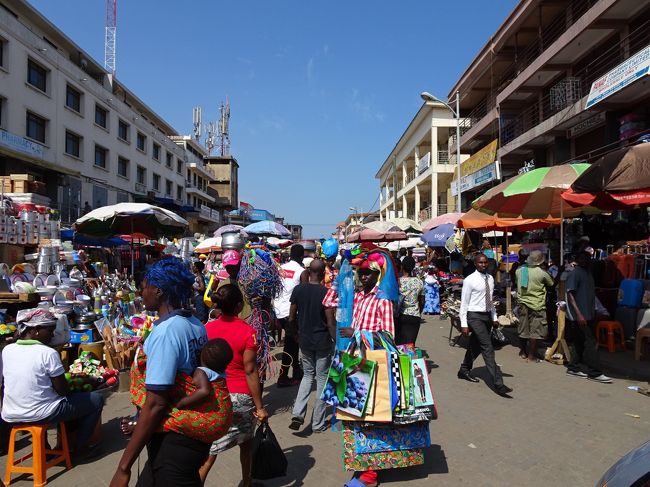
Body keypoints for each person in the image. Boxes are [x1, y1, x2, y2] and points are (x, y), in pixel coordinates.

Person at [110, 257, 225, 487]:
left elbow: (156, 404)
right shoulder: (195, 323)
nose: (142, 293)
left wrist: (124, 467)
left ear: (159, 291)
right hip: (189, 438)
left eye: (144, 288)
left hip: (174, 444)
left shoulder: (166, 333)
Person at [2, 308, 103, 457]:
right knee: (96, 400)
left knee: (45, 400)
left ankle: (45, 450)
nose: (52, 335)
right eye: (50, 331)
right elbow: (63, 391)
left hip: (10, 413)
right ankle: (81, 448)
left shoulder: (7, 350)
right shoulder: (47, 353)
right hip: (41, 413)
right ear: (36, 330)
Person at [201, 284, 269, 487]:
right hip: (240, 396)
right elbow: (250, 371)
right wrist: (259, 406)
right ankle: (246, 482)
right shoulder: (248, 332)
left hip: (213, 394)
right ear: (239, 306)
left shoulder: (206, 329)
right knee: (245, 444)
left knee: (211, 448)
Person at [288, 259, 334, 433]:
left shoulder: (298, 290)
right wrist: (336, 341)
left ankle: (298, 413)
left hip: (305, 340)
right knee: (322, 380)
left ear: (308, 271)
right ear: (323, 274)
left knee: (307, 376)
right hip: (322, 341)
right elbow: (330, 322)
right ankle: (317, 424)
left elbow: (291, 317)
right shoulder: (326, 292)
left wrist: (295, 335)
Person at [457, 253, 513, 397]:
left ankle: (464, 370)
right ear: (475, 264)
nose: (483, 265)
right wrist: (464, 324)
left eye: (485, 262)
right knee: (487, 347)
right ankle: (498, 384)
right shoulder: (469, 280)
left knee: (475, 345)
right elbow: (464, 304)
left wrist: (494, 317)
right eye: (480, 262)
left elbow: (490, 300)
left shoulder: (490, 278)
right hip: (474, 316)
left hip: (487, 316)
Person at [565, 251, 612, 383]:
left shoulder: (588, 273)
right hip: (579, 316)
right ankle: (594, 372)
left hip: (589, 314)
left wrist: (595, 310)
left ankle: (573, 367)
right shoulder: (574, 274)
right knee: (591, 342)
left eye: (587, 258)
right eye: (582, 258)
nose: (585, 260)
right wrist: (579, 314)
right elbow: (570, 295)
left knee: (579, 343)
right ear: (577, 259)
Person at [275, 244, 305, 387]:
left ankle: (297, 370)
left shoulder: (281, 268)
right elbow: (305, 292)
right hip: (291, 313)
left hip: (279, 311)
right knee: (290, 344)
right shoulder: (301, 271)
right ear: (301, 256)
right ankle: (283, 377)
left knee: (293, 343)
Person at [515, 250, 554, 363]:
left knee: (523, 328)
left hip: (522, 302)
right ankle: (531, 356)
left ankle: (523, 351)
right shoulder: (542, 273)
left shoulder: (520, 270)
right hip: (537, 304)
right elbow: (551, 284)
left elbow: (517, 282)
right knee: (535, 331)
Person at [175, 339, 233, 410]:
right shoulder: (221, 373)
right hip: (226, 410)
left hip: (213, 414)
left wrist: (181, 403)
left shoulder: (201, 371)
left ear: (201, 354)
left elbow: (204, 391)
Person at [213, 250, 252, 321]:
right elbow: (216, 306)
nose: (231, 269)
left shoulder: (250, 281)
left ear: (240, 263)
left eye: (233, 265)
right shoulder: (223, 285)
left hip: (249, 321)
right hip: (231, 323)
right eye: (228, 267)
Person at [396, 256, 424, 345]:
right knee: (410, 346)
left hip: (399, 316)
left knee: (398, 345)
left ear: (402, 266)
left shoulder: (398, 282)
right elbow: (422, 301)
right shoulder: (419, 282)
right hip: (414, 316)